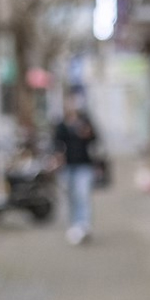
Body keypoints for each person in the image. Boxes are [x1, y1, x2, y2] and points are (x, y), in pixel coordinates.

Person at [53, 98, 99, 245]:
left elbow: (95, 139)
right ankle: (74, 225)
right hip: (67, 167)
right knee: (71, 197)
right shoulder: (61, 125)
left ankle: (84, 225)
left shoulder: (85, 123)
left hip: (84, 165)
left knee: (83, 195)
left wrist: (87, 134)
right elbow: (55, 144)